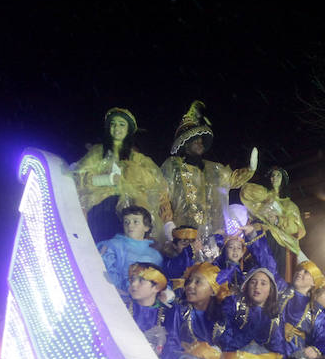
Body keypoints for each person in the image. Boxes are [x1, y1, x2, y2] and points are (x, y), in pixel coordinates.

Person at [72, 107, 171, 243]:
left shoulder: (138, 159)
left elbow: (156, 182)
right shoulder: (98, 153)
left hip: (132, 210)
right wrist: (106, 179)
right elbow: (80, 177)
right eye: (113, 124)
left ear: (128, 130)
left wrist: (130, 171)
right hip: (103, 208)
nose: (116, 128)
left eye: (121, 124)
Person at [161, 101, 257, 239]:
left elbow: (231, 180)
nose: (200, 143)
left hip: (216, 235)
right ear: (185, 144)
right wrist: (168, 223)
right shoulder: (172, 166)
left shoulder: (214, 169)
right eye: (195, 140)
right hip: (186, 235)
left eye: (201, 140)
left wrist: (250, 169)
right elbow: (161, 194)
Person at [240, 166, 306, 281]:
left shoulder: (290, 205)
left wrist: (277, 220)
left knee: (274, 275)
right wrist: (267, 196)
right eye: (272, 175)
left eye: (278, 175)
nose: (274, 178)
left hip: (278, 243)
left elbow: (298, 229)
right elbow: (245, 191)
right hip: (258, 236)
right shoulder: (263, 196)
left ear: (283, 180)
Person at [161, 262, 227, 359]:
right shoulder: (178, 310)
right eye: (189, 281)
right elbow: (170, 348)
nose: (190, 286)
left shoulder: (222, 319)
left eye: (198, 282)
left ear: (213, 291)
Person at [97, 206, 163, 303]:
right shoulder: (112, 245)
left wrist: (164, 292)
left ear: (146, 227)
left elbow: (160, 279)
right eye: (126, 222)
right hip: (116, 298)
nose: (130, 226)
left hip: (145, 303)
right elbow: (106, 271)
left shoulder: (155, 255)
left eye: (135, 222)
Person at [217, 267, 286, 353]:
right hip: (232, 356)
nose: (257, 286)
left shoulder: (275, 315)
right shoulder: (234, 304)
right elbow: (223, 333)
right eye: (253, 282)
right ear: (247, 286)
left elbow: (278, 346)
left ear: (270, 290)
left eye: (263, 283)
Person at [126, 263, 171, 354]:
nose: (134, 284)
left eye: (141, 280)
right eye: (132, 279)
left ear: (156, 287)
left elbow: (171, 347)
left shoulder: (168, 314)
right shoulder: (122, 306)